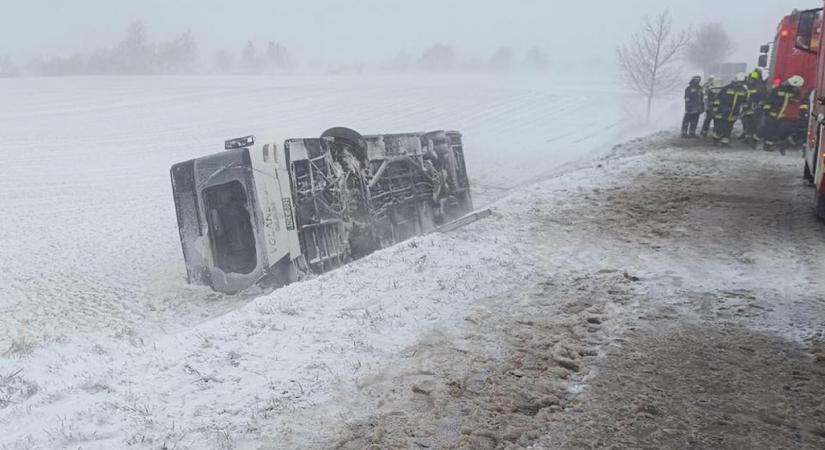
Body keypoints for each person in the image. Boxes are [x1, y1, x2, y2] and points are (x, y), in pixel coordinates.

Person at [761, 75, 808, 154]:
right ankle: (767, 146)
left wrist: (802, 108)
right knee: (770, 131)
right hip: (772, 114)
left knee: (779, 131)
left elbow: (797, 99)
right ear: (794, 84)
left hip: (781, 115)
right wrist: (766, 110)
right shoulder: (778, 90)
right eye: (798, 86)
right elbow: (769, 100)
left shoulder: (792, 92)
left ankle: (777, 144)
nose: (799, 88)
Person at [712, 73, 749, 146]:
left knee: (729, 127)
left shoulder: (743, 90)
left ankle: (724, 142)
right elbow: (718, 99)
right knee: (720, 127)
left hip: (734, 112)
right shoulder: (726, 88)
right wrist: (716, 109)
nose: (742, 84)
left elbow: (744, 101)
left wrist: (745, 108)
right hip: (723, 111)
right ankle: (715, 140)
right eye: (741, 82)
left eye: (743, 82)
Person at [741, 69, 767, 147]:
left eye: (751, 79)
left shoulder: (760, 87)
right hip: (747, 108)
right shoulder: (750, 86)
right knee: (746, 122)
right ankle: (747, 138)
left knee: (753, 124)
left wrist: (758, 105)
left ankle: (752, 139)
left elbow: (761, 98)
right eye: (749, 79)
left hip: (755, 109)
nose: (749, 80)